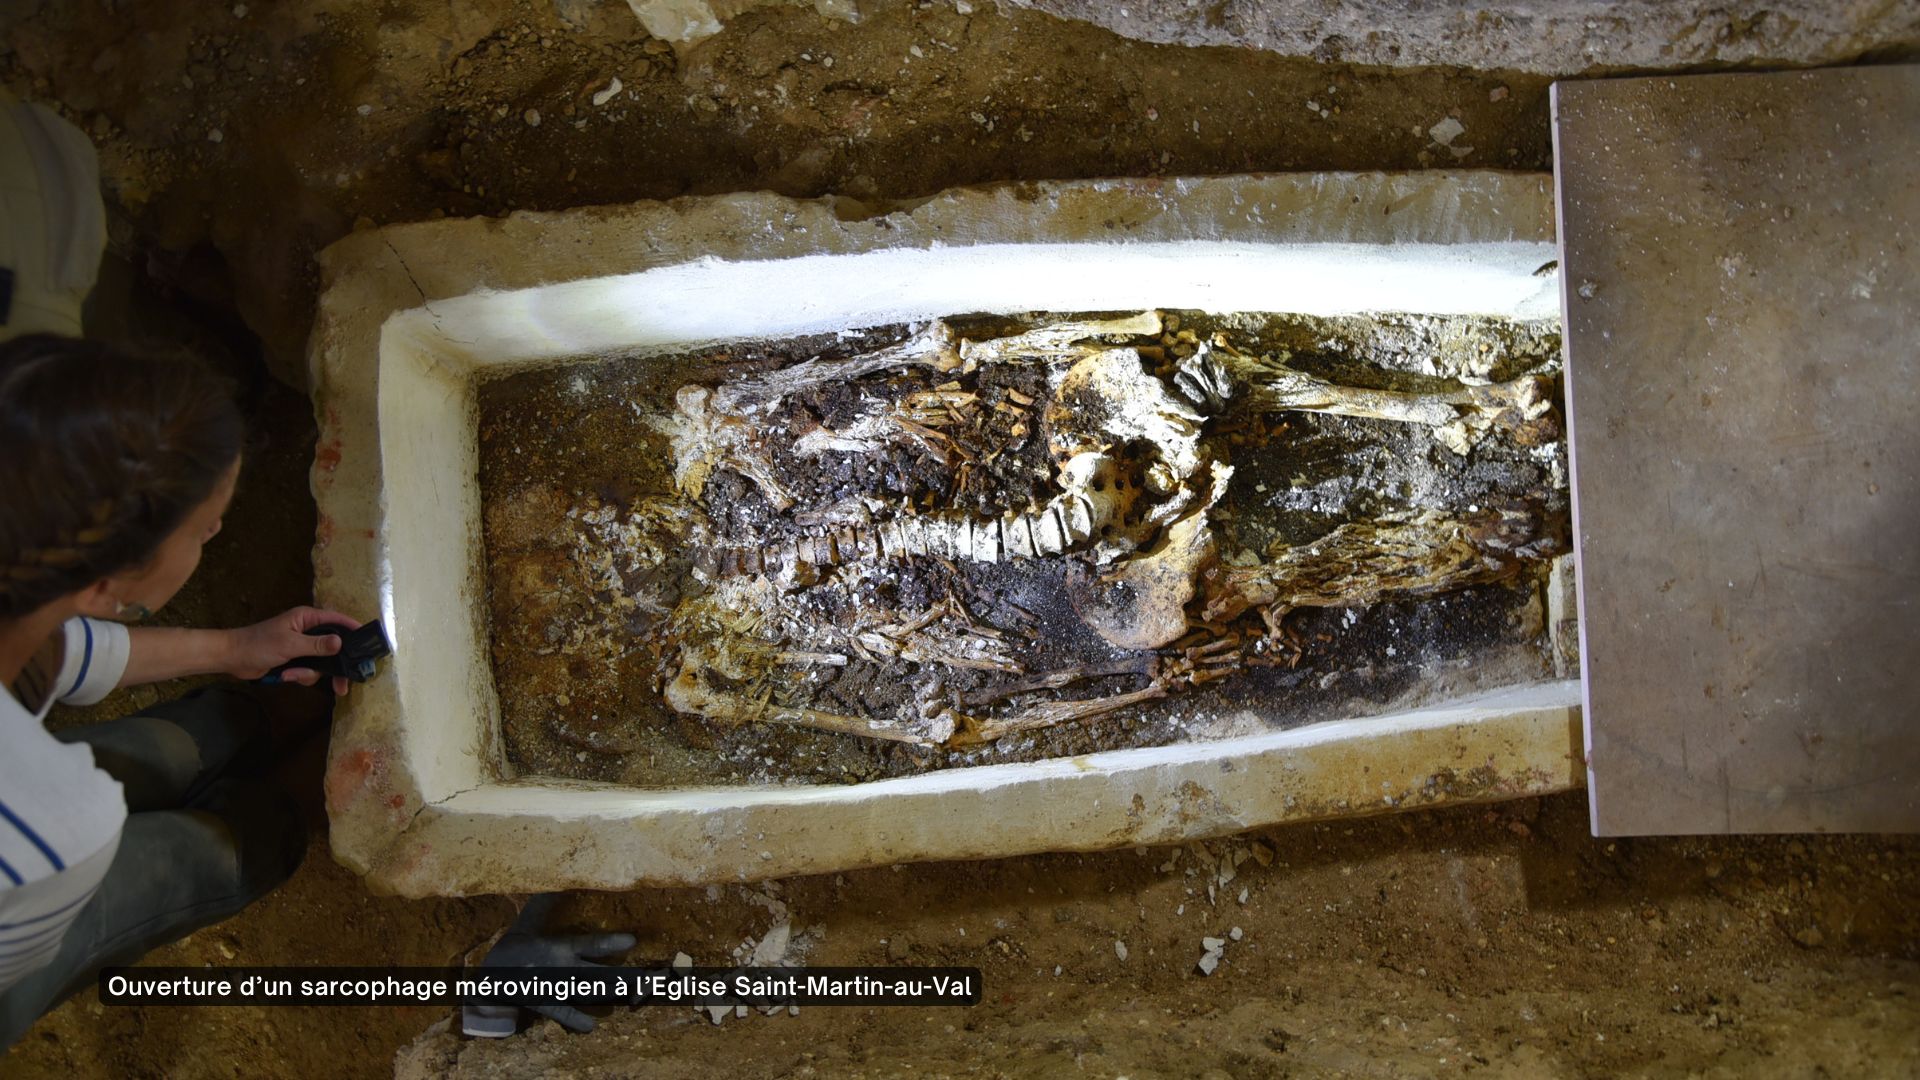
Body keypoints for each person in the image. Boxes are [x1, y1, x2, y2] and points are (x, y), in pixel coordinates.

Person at [0, 333, 367, 1048]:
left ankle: (237, 723)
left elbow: (57, 646)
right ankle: (282, 813)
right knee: (171, 871)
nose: (218, 530)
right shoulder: (54, 829)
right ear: (105, 584)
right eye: (205, 529)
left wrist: (235, 650)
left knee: (140, 754)